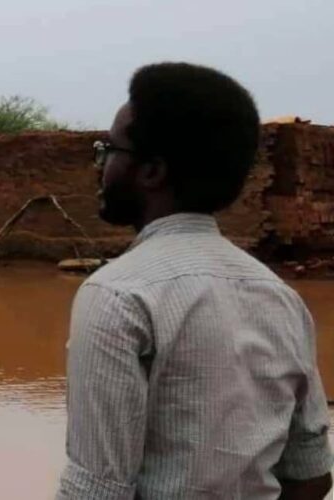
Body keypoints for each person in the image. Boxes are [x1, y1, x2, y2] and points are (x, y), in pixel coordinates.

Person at [57, 62, 333, 499]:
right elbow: (312, 476)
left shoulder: (117, 295)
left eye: (109, 149)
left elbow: (96, 490)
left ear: (151, 172)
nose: (101, 165)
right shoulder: (281, 297)